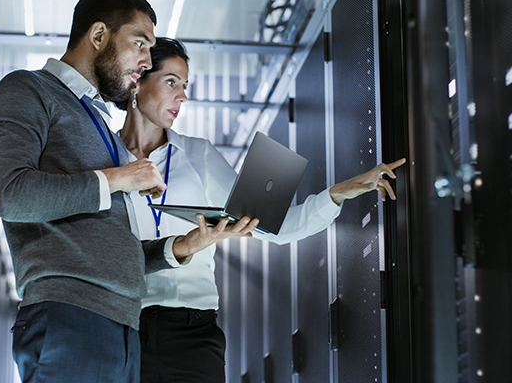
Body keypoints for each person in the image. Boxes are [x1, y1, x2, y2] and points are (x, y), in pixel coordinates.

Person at [0, 0, 257, 383]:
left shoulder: (103, 131)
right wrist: (120, 177)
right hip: (69, 316)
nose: (146, 61)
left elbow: (114, 249)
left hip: (124, 328)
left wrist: (184, 247)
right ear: (98, 36)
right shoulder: (28, 90)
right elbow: (13, 195)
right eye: (140, 44)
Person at [115, 37, 406, 382]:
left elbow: (274, 227)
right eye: (171, 82)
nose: (182, 96)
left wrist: (337, 194)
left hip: (191, 331)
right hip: (121, 326)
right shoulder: (104, 158)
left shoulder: (199, 155)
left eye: (186, 86)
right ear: (138, 80)